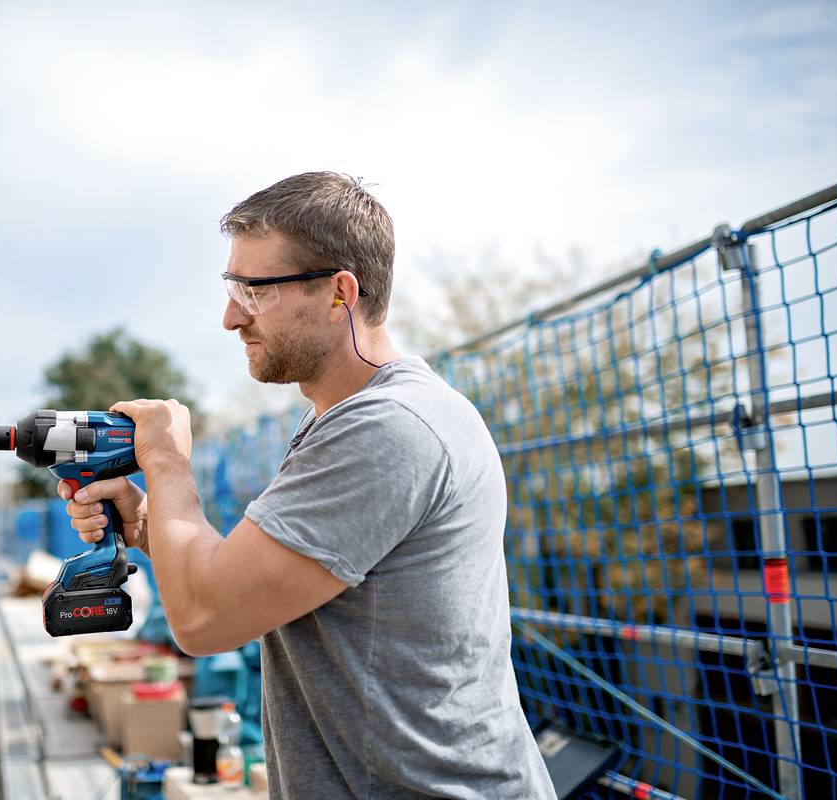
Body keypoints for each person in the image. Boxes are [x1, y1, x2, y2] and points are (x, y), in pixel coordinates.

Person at [57, 172, 556, 799]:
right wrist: (145, 522)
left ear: (339, 293)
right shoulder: (343, 419)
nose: (231, 316)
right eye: (231, 287)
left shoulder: (389, 430)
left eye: (254, 290)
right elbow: (238, 585)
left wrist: (168, 462)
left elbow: (206, 621)